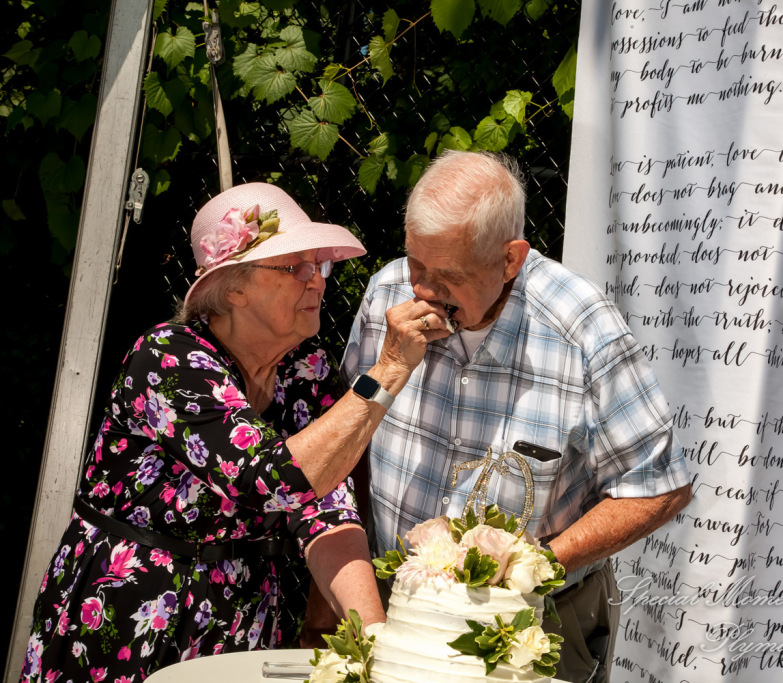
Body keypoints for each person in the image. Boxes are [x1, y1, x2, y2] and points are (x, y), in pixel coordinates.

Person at [20, 182, 448, 682]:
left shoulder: (303, 369)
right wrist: (391, 368)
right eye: (297, 268)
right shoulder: (169, 359)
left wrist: (377, 643)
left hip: (238, 616)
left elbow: (327, 508)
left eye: (321, 266)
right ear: (236, 287)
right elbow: (268, 479)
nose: (319, 282)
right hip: (128, 609)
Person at [341, 150, 693, 683]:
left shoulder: (581, 326)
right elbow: (352, 446)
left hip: (535, 625)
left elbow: (659, 486)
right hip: (397, 610)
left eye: (449, 276)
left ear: (511, 259)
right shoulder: (385, 295)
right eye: (416, 264)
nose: (423, 291)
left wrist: (533, 565)